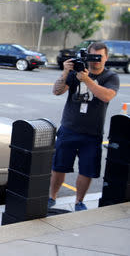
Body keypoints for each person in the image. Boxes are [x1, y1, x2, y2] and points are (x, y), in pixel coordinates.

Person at [48, 42, 120, 211]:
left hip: (92, 133)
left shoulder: (110, 77)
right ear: (86, 56)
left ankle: (79, 201)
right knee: (59, 166)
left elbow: (107, 96)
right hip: (69, 128)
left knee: (86, 170)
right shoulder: (75, 72)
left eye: (99, 57)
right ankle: (52, 197)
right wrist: (66, 71)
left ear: (106, 58)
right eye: (91, 57)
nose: (95, 61)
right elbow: (57, 91)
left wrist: (87, 80)